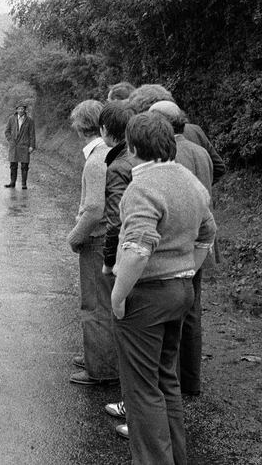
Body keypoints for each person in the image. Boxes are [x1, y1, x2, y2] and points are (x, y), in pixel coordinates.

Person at [111, 112, 215, 465]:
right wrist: (186, 270)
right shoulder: (190, 181)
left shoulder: (142, 186)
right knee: (166, 381)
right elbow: (207, 234)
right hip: (181, 293)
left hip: (147, 297)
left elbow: (139, 246)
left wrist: (118, 294)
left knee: (141, 391)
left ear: (133, 146)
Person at [148, 100, 214, 399]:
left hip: (179, 244)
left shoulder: (170, 155)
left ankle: (168, 384)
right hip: (202, 239)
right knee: (192, 311)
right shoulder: (200, 151)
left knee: (171, 316)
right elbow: (219, 169)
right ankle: (190, 380)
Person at [66, 100, 119, 386]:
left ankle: (100, 369)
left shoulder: (96, 160)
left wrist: (75, 237)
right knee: (103, 303)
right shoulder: (106, 153)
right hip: (105, 238)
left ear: (78, 126)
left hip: (97, 240)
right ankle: (97, 355)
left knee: (95, 305)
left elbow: (94, 210)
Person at [98, 99, 141, 433]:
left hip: (130, 256)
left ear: (104, 132)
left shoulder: (116, 166)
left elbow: (115, 220)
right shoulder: (140, 158)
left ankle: (135, 410)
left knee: (130, 333)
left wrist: (108, 263)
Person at [4, 101, 36, 189]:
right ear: (16, 110)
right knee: (13, 165)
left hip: (24, 145)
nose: (21, 110)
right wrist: (10, 140)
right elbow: (7, 131)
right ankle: (12, 182)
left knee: (24, 165)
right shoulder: (11, 119)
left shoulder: (29, 120)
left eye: (22, 109)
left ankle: (24, 184)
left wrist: (32, 146)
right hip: (14, 145)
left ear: (25, 110)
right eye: (19, 109)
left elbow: (32, 134)